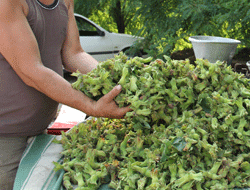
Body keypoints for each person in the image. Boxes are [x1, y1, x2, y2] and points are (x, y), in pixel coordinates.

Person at [0, 0, 131, 189]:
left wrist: (119, 82)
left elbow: (74, 54)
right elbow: (32, 71)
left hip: (39, 131)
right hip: (5, 136)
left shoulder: (65, 2)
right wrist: (92, 107)